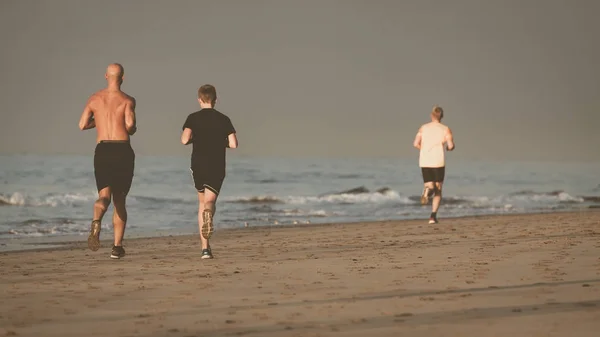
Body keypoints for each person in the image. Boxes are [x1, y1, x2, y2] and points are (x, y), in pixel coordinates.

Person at [78, 63, 137, 259]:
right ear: (123, 78)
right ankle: (117, 247)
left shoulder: (94, 99)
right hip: (122, 150)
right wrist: (129, 125)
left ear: (106, 76)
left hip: (102, 149)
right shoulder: (127, 100)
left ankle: (96, 220)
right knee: (119, 199)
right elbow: (130, 126)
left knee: (104, 196)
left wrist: (100, 121)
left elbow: (82, 125)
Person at [181, 84, 238, 259]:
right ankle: (209, 212)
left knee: (201, 203)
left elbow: (184, 140)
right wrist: (220, 142)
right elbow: (234, 144)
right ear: (216, 100)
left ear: (199, 99)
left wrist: (197, 139)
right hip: (216, 164)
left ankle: (205, 248)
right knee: (210, 202)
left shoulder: (192, 118)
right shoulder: (224, 119)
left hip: (198, 164)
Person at [413, 105, 455, 224]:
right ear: (441, 116)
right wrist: (449, 148)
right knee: (438, 190)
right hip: (438, 161)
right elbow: (450, 146)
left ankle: (428, 189)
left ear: (431, 115)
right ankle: (432, 216)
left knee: (429, 185)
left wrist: (425, 149)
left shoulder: (423, 128)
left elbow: (415, 143)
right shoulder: (446, 129)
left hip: (425, 160)